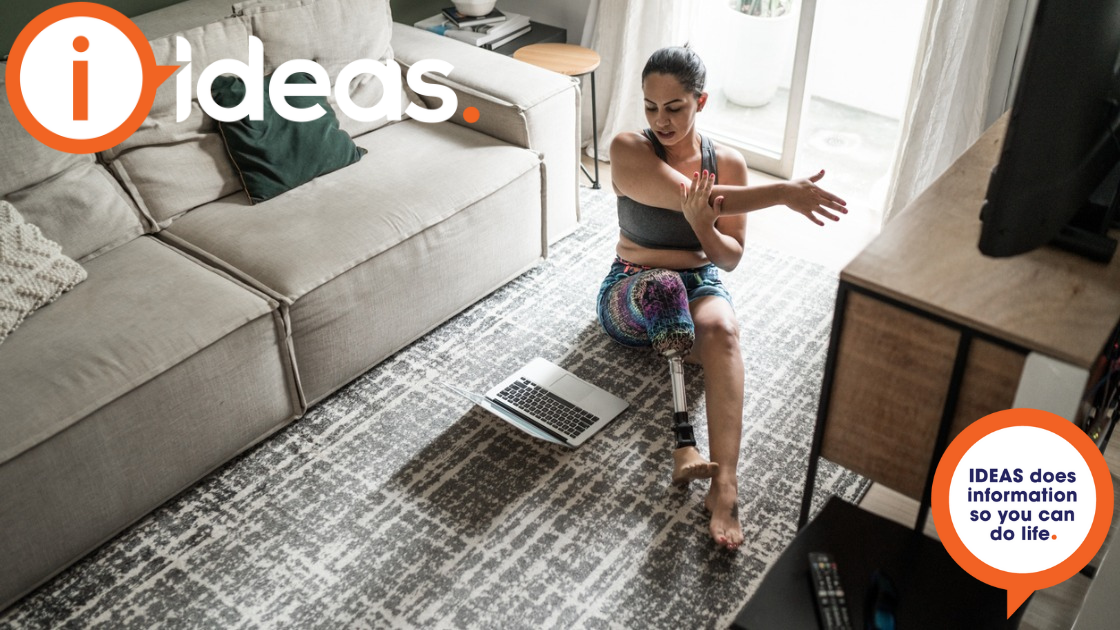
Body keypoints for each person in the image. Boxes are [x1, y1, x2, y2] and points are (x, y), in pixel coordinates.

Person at [598, 46, 848, 551]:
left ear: (701, 102)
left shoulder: (728, 162)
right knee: (664, 286)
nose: (660, 119)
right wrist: (782, 193)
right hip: (633, 286)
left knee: (725, 331)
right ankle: (682, 445)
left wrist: (702, 229)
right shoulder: (629, 148)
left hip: (700, 282)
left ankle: (725, 485)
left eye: (675, 107)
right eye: (651, 106)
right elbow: (699, 197)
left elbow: (729, 257)